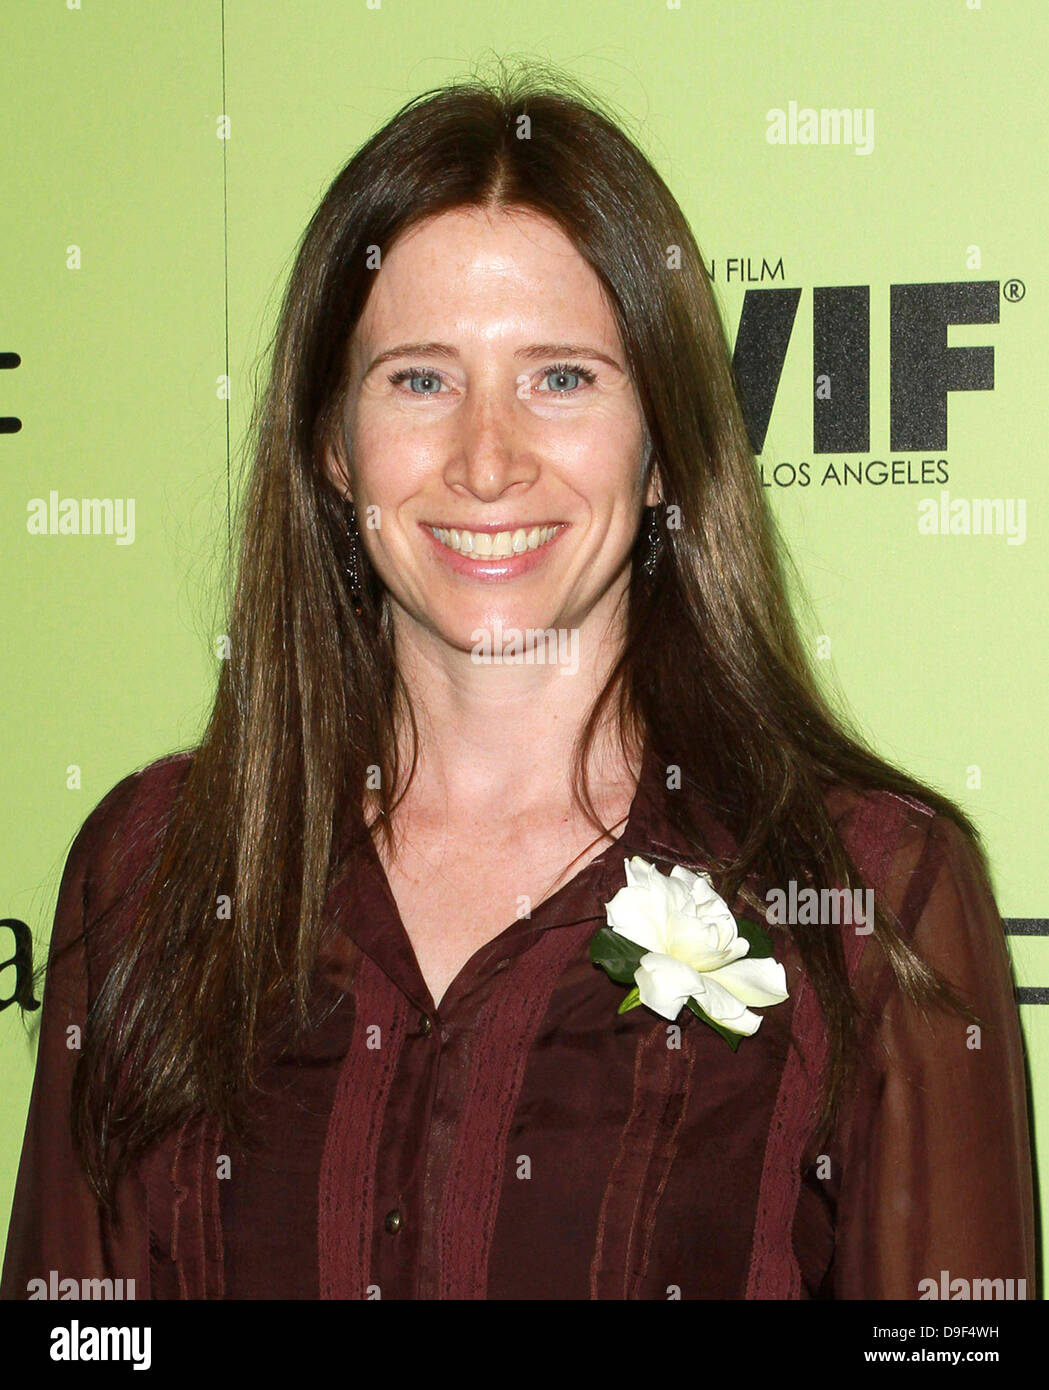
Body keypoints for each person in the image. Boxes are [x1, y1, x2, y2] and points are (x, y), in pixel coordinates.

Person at [1, 63, 1036, 1301]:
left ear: (664, 449)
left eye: (560, 378)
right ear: (333, 446)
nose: (486, 461)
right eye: (421, 379)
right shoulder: (150, 868)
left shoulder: (870, 894)